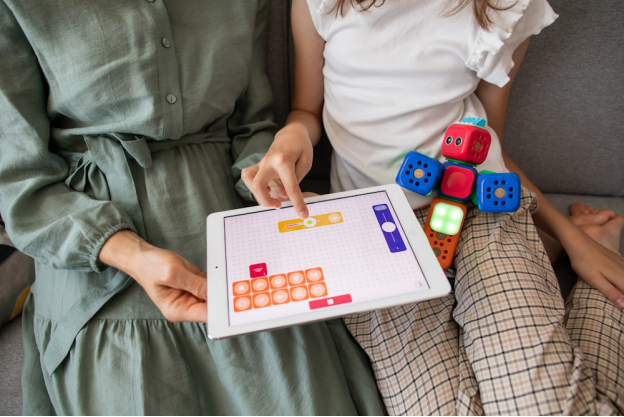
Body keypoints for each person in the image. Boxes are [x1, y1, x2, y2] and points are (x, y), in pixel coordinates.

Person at [0, 1, 388, 415]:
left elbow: (251, 125)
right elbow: (22, 185)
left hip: (236, 237)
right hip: (99, 264)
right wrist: (129, 252)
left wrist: (271, 187)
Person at [243, 0, 624, 414]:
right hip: (376, 234)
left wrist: (570, 240)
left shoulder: (507, 6)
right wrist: (291, 136)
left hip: (482, 211)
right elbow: (306, 110)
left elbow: (490, 141)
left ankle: (580, 252)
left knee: (544, 407)